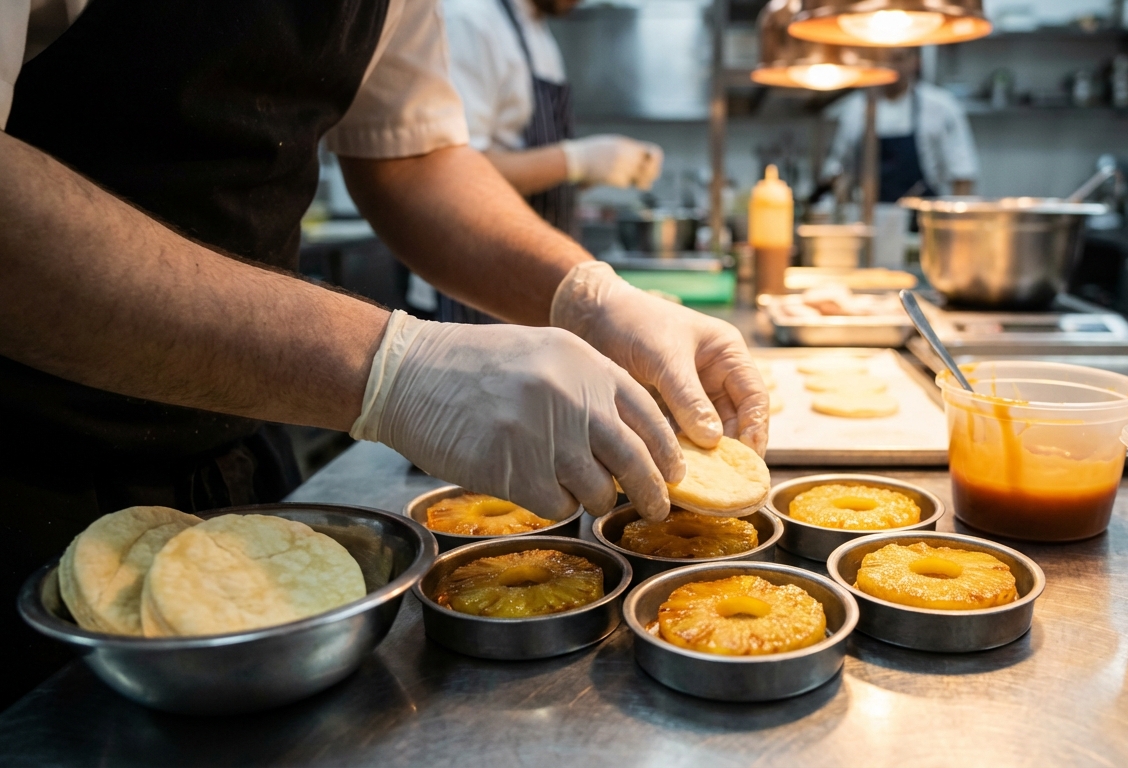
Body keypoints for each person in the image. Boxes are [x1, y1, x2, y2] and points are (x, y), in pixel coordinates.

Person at [0, 0, 767, 707]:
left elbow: (412, 159)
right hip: (29, 466)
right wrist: (391, 369)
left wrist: (590, 298)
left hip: (237, 439)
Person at [418, 0, 663, 323]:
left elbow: (527, 157)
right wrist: (576, 160)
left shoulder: (537, 29)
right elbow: (452, 174)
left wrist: (595, 169)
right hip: (477, 279)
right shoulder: (470, 20)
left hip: (528, 269)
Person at [822, 47, 979, 203]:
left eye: (898, 59)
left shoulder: (941, 107)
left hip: (922, 215)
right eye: (883, 59)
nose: (890, 66)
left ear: (915, 61)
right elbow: (836, 169)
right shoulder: (855, 109)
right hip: (866, 212)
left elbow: (962, 174)